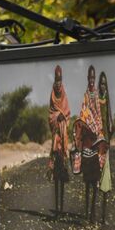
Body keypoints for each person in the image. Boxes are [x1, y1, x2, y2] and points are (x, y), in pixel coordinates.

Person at [73, 65, 108, 223]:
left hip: (95, 147)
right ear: (87, 79)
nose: (92, 81)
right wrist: (87, 127)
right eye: (90, 78)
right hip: (87, 146)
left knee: (94, 183)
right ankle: (87, 212)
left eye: (94, 78)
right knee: (87, 183)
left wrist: (98, 133)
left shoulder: (97, 99)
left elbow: (99, 120)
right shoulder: (86, 96)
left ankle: (93, 212)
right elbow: (82, 117)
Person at [48, 65, 71, 215]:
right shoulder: (52, 98)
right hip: (56, 140)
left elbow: (68, 114)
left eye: (60, 80)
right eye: (56, 80)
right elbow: (50, 117)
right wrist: (57, 117)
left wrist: (63, 118)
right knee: (56, 177)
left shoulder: (64, 97)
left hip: (63, 140)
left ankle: (61, 209)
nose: (58, 83)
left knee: (62, 176)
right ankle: (56, 208)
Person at [97, 72, 115, 224]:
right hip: (97, 143)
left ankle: (103, 217)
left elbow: (111, 124)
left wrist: (109, 135)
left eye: (104, 84)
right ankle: (92, 216)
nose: (103, 86)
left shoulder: (107, 101)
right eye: (101, 83)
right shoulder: (96, 100)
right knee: (95, 178)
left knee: (105, 180)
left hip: (106, 144)